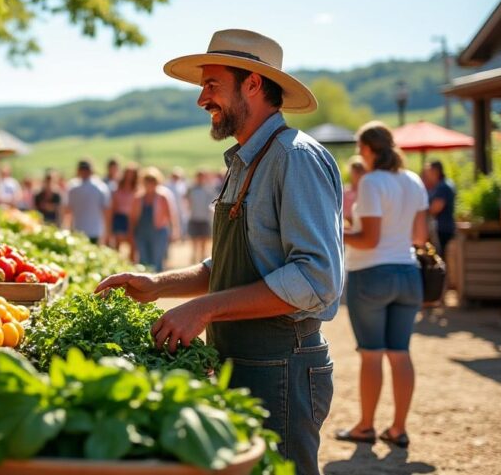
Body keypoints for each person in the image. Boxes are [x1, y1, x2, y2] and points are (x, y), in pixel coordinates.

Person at [96, 29, 343, 474]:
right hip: (244, 361)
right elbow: (232, 266)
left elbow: (314, 279)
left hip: (281, 365)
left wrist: (205, 310)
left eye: (211, 85)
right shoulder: (248, 159)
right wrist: (159, 285)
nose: (201, 99)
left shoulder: (295, 157)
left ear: (252, 83)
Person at [336, 121, 429, 450]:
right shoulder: (413, 180)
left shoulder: (373, 182)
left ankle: (365, 427)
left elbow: (369, 240)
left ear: (368, 148)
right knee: (400, 353)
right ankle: (399, 429)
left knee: (372, 356)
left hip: (372, 274)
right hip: (409, 273)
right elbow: (419, 238)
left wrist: (335, 230)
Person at [131, 167, 178, 272]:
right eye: (147, 181)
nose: (150, 184)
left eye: (152, 181)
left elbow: (171, 215)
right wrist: (132, 232)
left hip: (158, 232)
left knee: (157, 261)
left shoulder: (163, 197)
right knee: (143, 260)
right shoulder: (138, 198)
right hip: (141, 232)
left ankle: (156, 285)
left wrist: (174, 231)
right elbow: (133, 217)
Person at [66, 159, 111, 244]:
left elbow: (68, 210)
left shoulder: (73, 188)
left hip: (85, 230)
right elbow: (106, 211)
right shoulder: (100, 187)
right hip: (89, 230)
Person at [422, 161, 456, 258]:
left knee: (441, 258)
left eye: (429, 171)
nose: (427, 174)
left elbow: (436, 208)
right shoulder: (442, 185)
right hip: (444, 227)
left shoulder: (443, 186)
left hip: (442, 229)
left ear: (435, 171)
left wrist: (420, 211)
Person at [185, 170, 215, 264]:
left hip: (204, 219)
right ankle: (194, 258)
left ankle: (201, 260)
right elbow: (186, 200)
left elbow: (212, 203)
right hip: (194, 218)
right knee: (194, 240)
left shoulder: (209, 189)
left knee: (204, 241)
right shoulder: (191, 189)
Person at [108, 163, 138, 251]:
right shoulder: (117, 188)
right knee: (118, 245)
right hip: (120, 218)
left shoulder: (137, 189)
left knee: (133, 245)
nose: (130, 176)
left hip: (133, 218)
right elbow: (113, 207)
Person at [166, 167, 189, 242]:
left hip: (181, 208)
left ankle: (180, 237)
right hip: (171, 208)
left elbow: (185, 197)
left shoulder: (182, 185)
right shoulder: (167, 185)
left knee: (182, 223)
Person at [343, 156, 366, 225]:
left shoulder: (368, 191)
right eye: (355, 171)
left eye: (360, 171)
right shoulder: (345, 192)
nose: (357, 174)